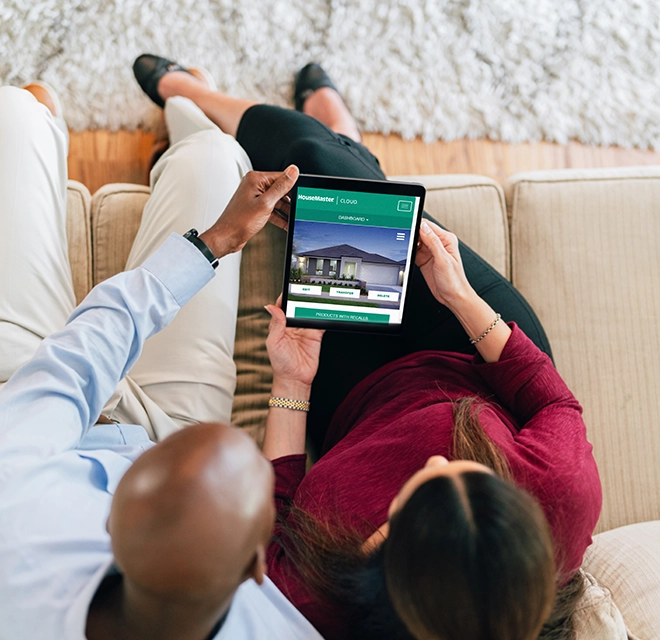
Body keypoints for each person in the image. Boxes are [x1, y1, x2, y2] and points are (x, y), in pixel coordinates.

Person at [133, 56, 602, 640]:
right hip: (476, 350)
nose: (436, 459)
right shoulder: (560, 498)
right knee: (339, 178)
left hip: (354, 395)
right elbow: (552, 404)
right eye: (471, 474)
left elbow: (279, 517)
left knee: (331, 186)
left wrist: (293, 379)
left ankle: (330, 131)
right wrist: (459, 297)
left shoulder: (318, 600)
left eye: (422, 491)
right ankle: (213, 98)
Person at [0, 82, 324, 640]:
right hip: (171, 420)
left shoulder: (15, 519)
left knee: (15, 113)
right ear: (256, 571)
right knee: (215, 156)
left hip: (27, 397)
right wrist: (291, 379)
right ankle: (183, 121)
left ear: (110, 515)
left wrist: (214, 242)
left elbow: (73, 363)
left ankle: (48, 117)